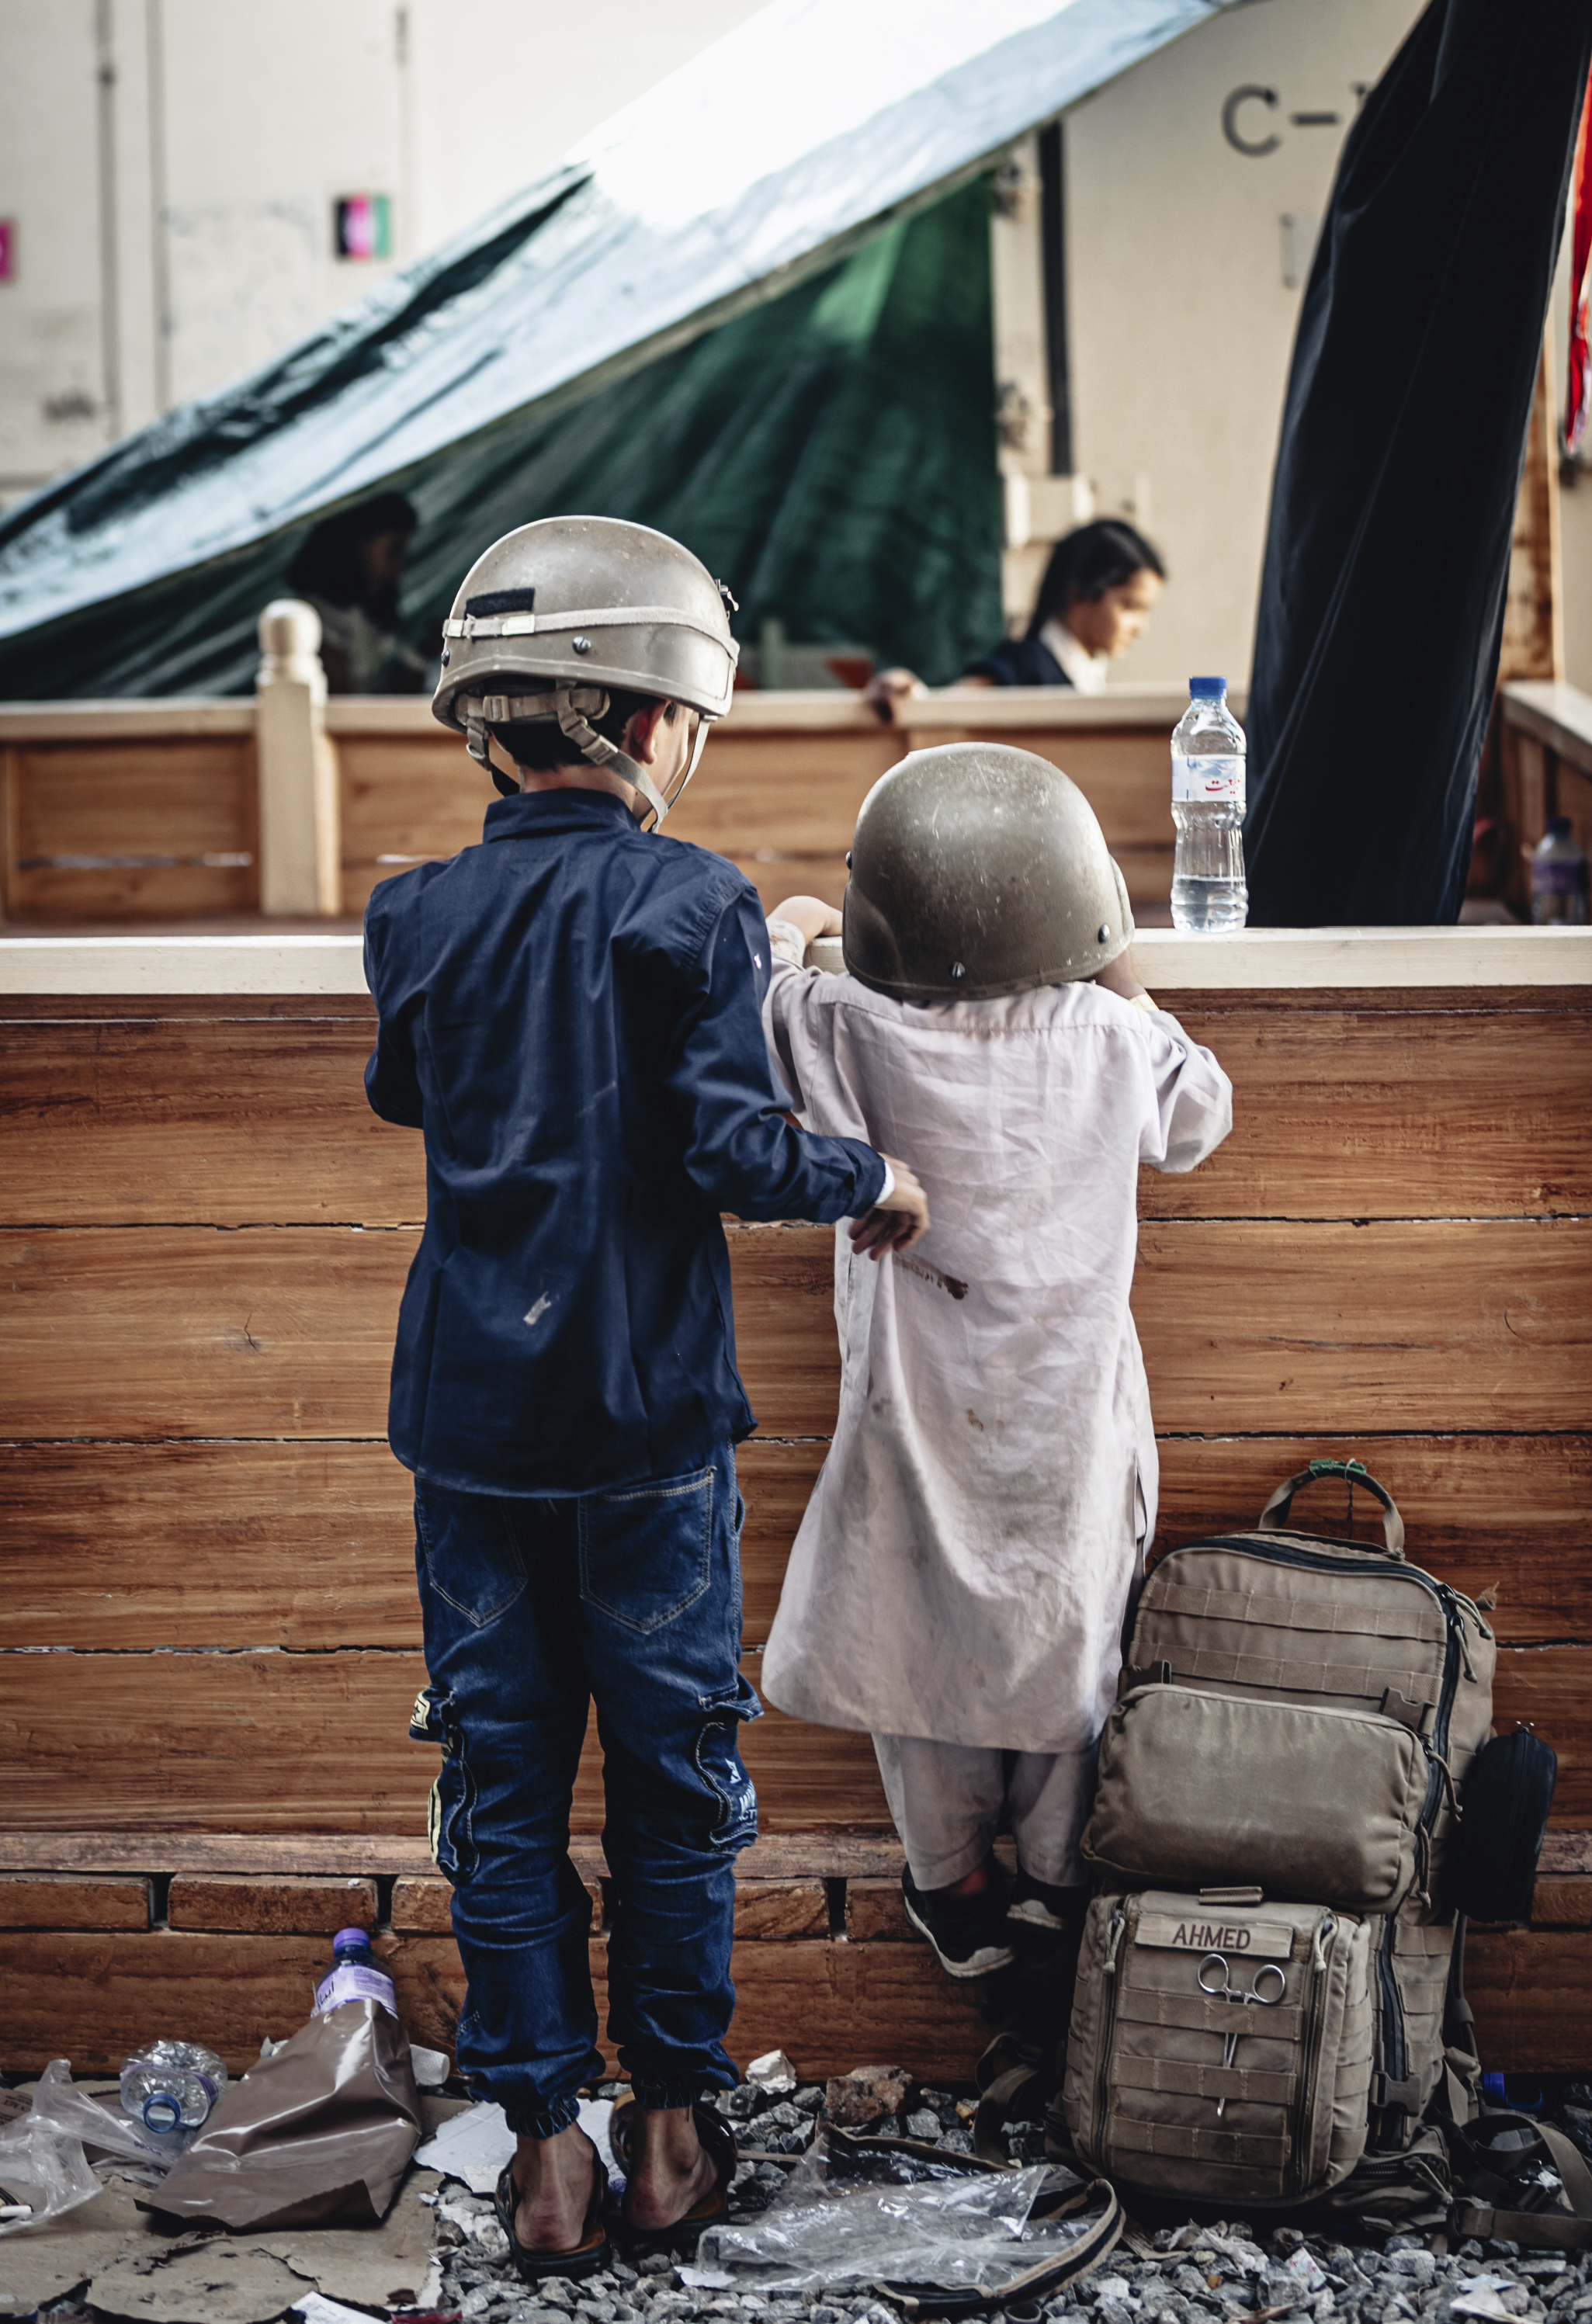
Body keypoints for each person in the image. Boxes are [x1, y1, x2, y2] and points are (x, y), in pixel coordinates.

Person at [362, 515, 928, 2281]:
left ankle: (543, 2148)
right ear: (649, 718)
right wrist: (873, 1179)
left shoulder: (413, 910)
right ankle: (670, 2130)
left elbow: (406, 1091)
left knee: (505, 1785)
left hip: (467, 1422)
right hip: (642, 1421)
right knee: (674, 1782)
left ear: (494, 721)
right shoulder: (692, 903)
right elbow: (724, 1143)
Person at [756, 743, 1231, 1988]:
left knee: (908, 1634)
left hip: (911, 1408)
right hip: (1069, 1413)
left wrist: (797, 915)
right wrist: (1114, 958)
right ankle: (1058, 1882)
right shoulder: (1106, 1033)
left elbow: (765, 988)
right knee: (1074, 1630)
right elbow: (1199, 1115)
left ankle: (948, 1882)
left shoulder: (843, 1021)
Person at [867, 518, 1165, 713]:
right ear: (1078, 595)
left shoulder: (1085, 677)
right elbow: (945, 708)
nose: (1141, 628)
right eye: (1130, 607)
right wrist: (909, 694)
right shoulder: (1025, 665)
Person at [285, 490, 428, 692]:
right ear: (357, 544)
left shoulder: (367, 616)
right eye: (395, 550)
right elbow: (343, 703)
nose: (400, 569)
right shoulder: (314, 617)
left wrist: (425, 653)